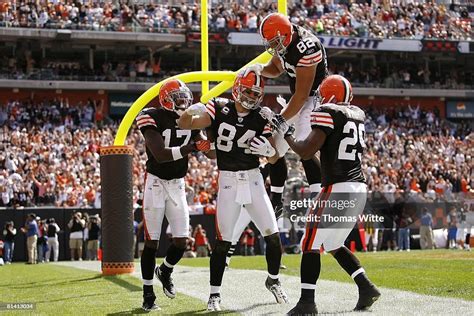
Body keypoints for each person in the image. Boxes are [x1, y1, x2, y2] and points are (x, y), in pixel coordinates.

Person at [268, 75, 380, 314]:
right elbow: (319, 153)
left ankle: (307, 302)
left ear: (328, 96)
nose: (318, 100)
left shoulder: (329, 112)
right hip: (357, 187)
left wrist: (287, 133)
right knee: (332, 243)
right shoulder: (356, 114)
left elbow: (307, 152)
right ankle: (366, 287)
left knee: (308, 241)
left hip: (338, 189)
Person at [178, 70, 288, 312]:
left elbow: (274, 158)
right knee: (223, 241)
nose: (253, 97)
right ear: (238, 88)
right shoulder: (219, 107)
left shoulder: (263, 115)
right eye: (249, 91)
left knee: (272, 234)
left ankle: (273, 279)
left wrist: (271, 153)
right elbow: (185, 123)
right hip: (227, 180)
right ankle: (214, 295)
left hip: (254, 179)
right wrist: (191, 112)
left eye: (257, 93)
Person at [136, 79, 212, 312]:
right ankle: (148, 295)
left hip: (178, 183)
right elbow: (159, 154)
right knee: (152, 242)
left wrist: (220, 144)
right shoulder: (151, 116)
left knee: (181, 241)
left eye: (185, 97)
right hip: (156, 183)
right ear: (166, 99)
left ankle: (165, 270)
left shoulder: (190, 119)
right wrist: (192, 148)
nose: (184, 102)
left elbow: (210, 153)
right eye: (178, 97)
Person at [246, 12, 328, 209]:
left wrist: (281, 119)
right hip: (298, 98)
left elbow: (302, 95)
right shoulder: (284, 40)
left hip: (314, 97)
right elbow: (275, 69)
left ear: (284, 35)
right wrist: (259, 69)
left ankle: (319, 199)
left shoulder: (307, 47)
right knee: (274, 147)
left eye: (275, 41)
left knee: (303, 143)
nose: (272, 45)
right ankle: (276, 200)